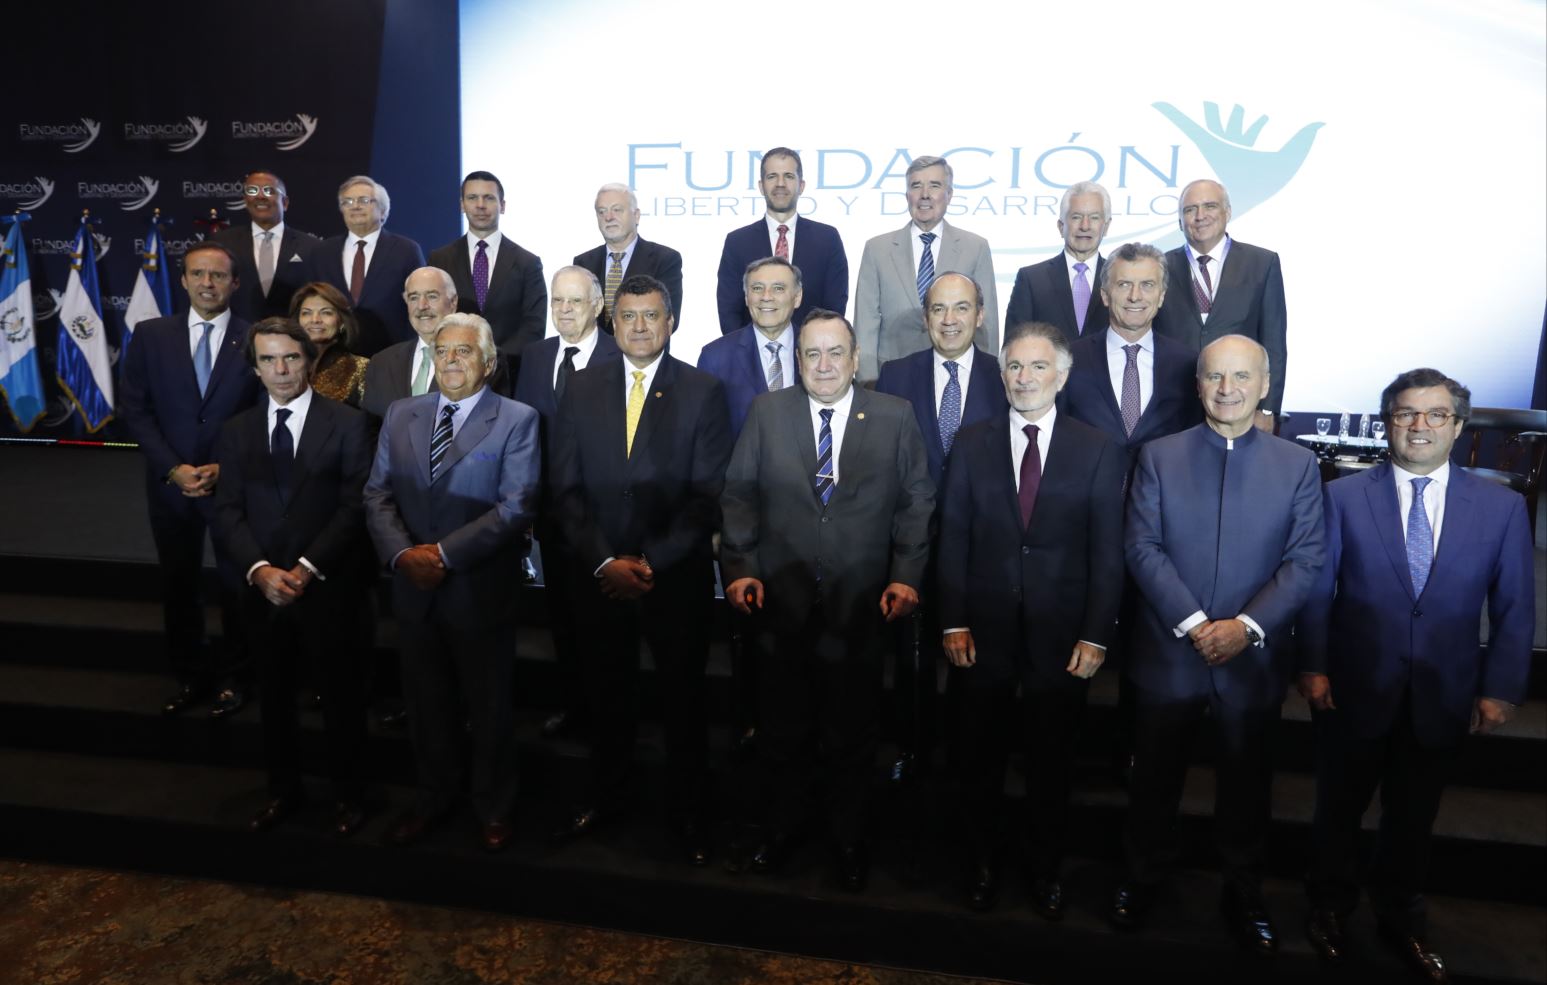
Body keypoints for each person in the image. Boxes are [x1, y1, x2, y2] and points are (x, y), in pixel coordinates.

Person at [1298, 368, 1534, 983]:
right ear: (1387, 423)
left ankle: (1400, 918)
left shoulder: (1502, 507)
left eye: (1435, 414)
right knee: (1337, 813)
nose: (1419, 426)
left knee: (1412, 819)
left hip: (1443, 692)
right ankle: (1328, 907)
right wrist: (1314, 666)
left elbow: (1514, 606)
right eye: (1406, 413)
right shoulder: (1342, 496)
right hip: (1352, 687)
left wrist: (1500, 686)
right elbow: (1319, 594)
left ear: (1458, 426)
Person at [1114, 334, 1324, 953]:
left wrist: (1245, 628)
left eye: (1241, 377)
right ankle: (1142, 877)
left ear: (1264, 385)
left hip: (1251, 659)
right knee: (1153, 781)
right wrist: (1195, 622)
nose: (1227, 389)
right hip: (1169, 652)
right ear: (1198, 384)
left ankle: (1244, 890)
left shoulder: (1297, 464)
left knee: (1247, 787)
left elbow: (1306, 560)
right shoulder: (1158, 455)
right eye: (1214, 377)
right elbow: (1141, 547)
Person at [720, 309, 935, 892]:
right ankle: (782, 830)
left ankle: (848, 839)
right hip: (779, 604)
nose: (823, 365)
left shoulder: (894, 416)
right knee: (782, 729)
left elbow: (917, 500)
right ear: (797, 359)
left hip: (862, 605)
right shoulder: (768, 413)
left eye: (834, 353)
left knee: (851, 733)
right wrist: (739, 566)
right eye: (811, 354)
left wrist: (906, 574)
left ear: (856, 358)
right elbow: (738, 494)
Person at [937, 321, 1125, 917]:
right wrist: (952, 619)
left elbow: (1108, 550)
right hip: (981, 634)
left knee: (1050, 764)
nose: (1025, 378)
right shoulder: (971, 443)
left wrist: (1097, 633)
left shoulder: (1097, 448)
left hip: (1063, 637)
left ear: (1062, 377)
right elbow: (954, 539)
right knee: (979, 760)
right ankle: (982, 865)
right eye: (1015, 367)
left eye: (1038, 367)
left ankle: (1045, 870)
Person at [548, 275, 732, 865]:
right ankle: (609, 799)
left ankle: (690, 816)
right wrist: (605, 560)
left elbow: (708, 495)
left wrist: (650, 562)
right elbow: (565, 487)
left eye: (651, 316)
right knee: (607, 697)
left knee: (683, 703)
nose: (640, 327)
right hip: (598, 574)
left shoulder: (704, 391)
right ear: (612, 323)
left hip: (671, 578)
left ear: (671, 321)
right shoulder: (578, 389)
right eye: (628, 317)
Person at [363, 313, 541, 853]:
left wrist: (440, 554)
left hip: (479, 590)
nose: (452, 361)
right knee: (426, 705)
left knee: (489, 708)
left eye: (465, 352)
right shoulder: (400, 413)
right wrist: (402, 555)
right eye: (443, 351)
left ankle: (493, 805)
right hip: (413, 591)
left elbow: (516, 507)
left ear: (488, 362)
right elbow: (377, 495)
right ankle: (434, 798)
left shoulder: (517, 419)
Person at [211, 319, 374, 838]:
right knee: (274, 700)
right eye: (268, 361)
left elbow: (354, 507)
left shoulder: (350, 424)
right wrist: (260, 571)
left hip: (328, 587)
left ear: (309, 360)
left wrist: (304, 568)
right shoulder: (235, 431)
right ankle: (284, 792)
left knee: (341, 699)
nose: (281, 371)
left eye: (291, 359)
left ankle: (351, 795)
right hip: (263, 592)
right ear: (255, 368)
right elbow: (227, 511)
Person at [118, 241, 260, 719]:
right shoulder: (150, 335)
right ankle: (191, 676)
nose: (207, 283)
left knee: (237, 587)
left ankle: (238, 678)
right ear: (182, 280)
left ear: (234, 283)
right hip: (171, 484)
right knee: (179, 584)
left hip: (232, 484)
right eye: (198, 274)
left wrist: (227, 466)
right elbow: (135, 410)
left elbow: (266, 411)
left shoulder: (256, 337)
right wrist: (171, 467)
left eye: (218, 275)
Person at [874, 272, 1007, 780]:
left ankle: (967, 759)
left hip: (985, 550)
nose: (949, 320)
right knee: (913, 663)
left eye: (961, 308)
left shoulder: (1005, 376)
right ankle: (915, 749)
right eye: (938, 310)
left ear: (980, 314)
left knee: (978, 664)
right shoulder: (895, 375)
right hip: (915, 546)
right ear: (925, 317)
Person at [512, 265, 620, 739]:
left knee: (605, 626)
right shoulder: (535, 357)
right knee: (562, 619)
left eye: (575, 301)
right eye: (558, 301)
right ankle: (574, 707)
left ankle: (608, 716)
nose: (565, 310)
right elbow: (523, 436)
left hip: (603, 517)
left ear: (598, 305)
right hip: (551, 516)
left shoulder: (622, 356)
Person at [1153, 179, 1287, 426]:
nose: (1200, 216)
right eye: (1190, 209)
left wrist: (1267, 410)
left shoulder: (1262, 263)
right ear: (1179, 220)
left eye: (1210, 206)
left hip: (1237, 405)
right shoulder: (1158, 267)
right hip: (1170, 408)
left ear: (1227, 212)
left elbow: (1274, 343)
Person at [853, 156, 997, 382]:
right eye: (916, 186)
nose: (925, 194)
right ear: (907, 196)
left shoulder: (975, 247)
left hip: (956, 376)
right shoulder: (877, 249)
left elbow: (987, 325)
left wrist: (988, 380)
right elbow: (865, 324)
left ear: (949, 195)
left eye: (935, 185)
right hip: (892, 375)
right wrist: (867, 382)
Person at [1059, 242, 1201, 466]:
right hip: (1086, 496)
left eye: (1147, 285)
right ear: (1105, 295)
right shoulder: (1069, 360)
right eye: (1124, 284)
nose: (1135, 296)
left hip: (1160, 495)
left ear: (1161, 296)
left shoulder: (1188, 364)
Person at [715, 147, 848, 334]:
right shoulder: (737, 242)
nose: (780, 184)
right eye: (772, 177)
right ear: (761, 186)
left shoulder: (827, 239)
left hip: (810, 355)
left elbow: (834, 307)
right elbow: (729, 310)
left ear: (801, 186)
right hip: (750, 357)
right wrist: (744, 354)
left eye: (788, 176)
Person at [360, 266, 512, 420]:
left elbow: (490, 423)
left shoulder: (484, 358)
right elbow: (370, 429)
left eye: (432, 296)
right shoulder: (381, 362)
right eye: (413, 297)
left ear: (453, 302)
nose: (422, 306)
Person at [427, 170, 547, 363]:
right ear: (462, 205)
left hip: (510, 372)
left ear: (503, 206)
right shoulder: (440, 260)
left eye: (489, 198)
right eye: (472, 198)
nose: (480, 205)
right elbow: (433, 317)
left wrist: (493, 360)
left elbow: (534, 326)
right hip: (453, 368)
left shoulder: (528, 263)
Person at [309, 175, 425, 356]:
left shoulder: (406, 250)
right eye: (347, 201)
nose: (355, 206)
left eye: (364, 200)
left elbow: (419, 303)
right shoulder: (322, 252)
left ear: (383, 210)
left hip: (392, 353)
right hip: (333, 355)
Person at [696, 256, 805, 439]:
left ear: (797, 297)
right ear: (746, 298)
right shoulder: (715, 358)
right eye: (757, 288)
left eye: (778, 288)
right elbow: (705, 437)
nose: (766, 297)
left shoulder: (817, 351)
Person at [1003, 181, 1112, 339]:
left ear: (1106, 226)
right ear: (1061, 226)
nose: (1085, 226)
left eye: (1094, 217)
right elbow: (1013, 345)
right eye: (1076, 217)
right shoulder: (1031, 279)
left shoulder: (1118, 279)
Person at [574, 183, 684, 336]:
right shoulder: (583, 263)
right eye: (601, 212)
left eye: (617, 210)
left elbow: (668, 319)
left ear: (636, 215)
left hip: (642, 355)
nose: (608, 217)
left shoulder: (665, 259)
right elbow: (578, 319)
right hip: (594, 358)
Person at [211, 170, 321, 322]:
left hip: (293, 338)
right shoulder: (222, 243)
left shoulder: (312, 247)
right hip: (238, 338)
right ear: (245, 200)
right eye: (252, 190)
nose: (260, 196)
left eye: (269, 191)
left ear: (285, 202)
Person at [289, 281, 368, 408]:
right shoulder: (285, 365)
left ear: (341, 321)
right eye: (306, 313)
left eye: (326, 312)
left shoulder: (360, 368)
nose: (315, 320)